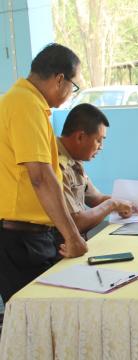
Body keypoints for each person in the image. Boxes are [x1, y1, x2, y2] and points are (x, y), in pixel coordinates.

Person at [0, 43, 88, 304]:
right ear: (60, 79)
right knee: (36, 321)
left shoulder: (22, 101)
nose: (71, 93)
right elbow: (39, 176)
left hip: (31, 235)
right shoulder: (25, 104)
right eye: (73, 87)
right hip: (21, 239)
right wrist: (72, 237)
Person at [58, 103, 138, 236]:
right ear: (80, 137)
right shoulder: (56, 164)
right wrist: (112, 205)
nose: (101, 147)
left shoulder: (73, 158)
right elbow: (75, 223)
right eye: (98, 140)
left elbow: (96, 198)